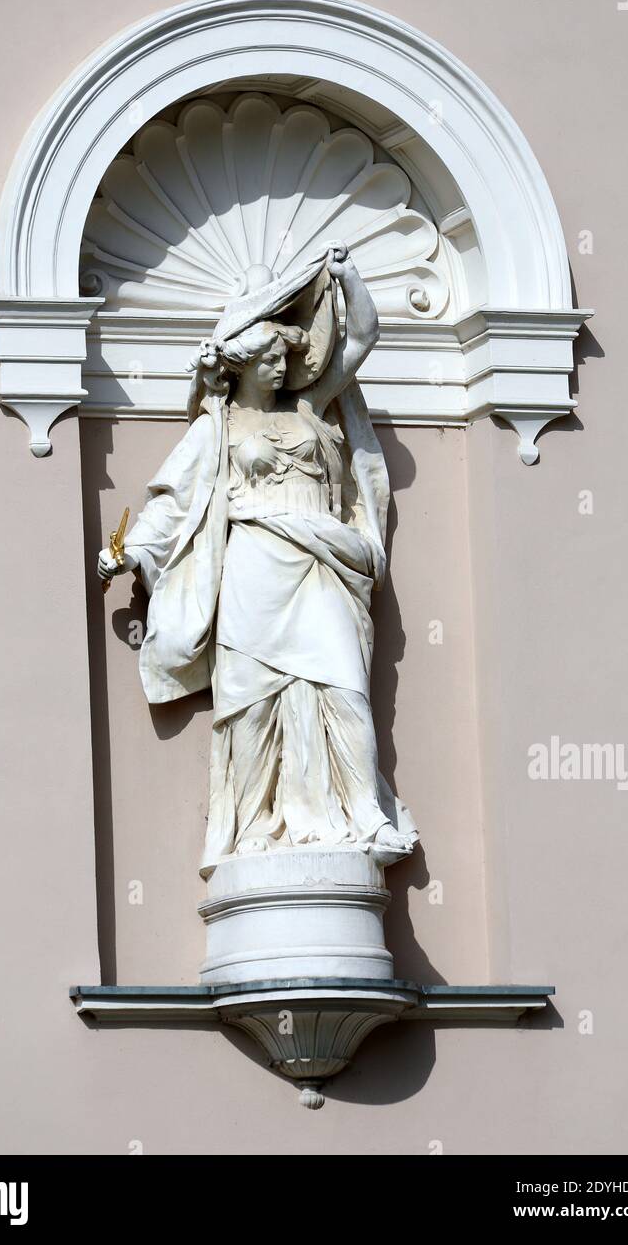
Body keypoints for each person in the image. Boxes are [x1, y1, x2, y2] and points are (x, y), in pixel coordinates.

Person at [98, 244, 417, 874]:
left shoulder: (310, 406)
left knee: (344, 687)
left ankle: (360, 813)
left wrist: (347, 276)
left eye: (285, 355)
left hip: (319, 563)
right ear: (241, 364)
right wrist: (132, 554)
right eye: (270, 357)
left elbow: (362, 338)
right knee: (249, 703)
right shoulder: (216, 429)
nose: (282, 365)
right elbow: (173, 502)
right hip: (250, 568)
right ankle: (250, 832)